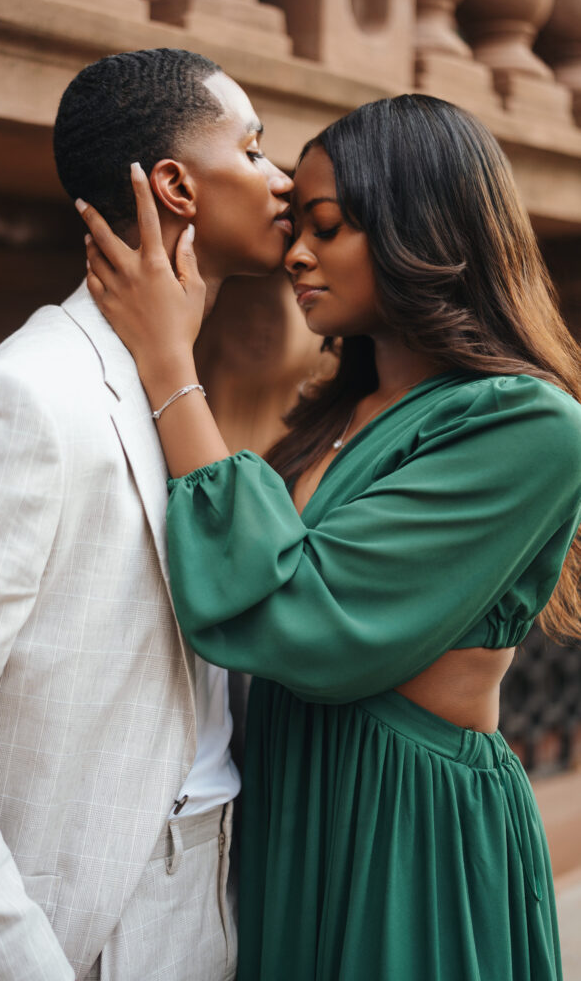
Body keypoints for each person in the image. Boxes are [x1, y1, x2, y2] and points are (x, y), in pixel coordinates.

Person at [77, 93, 581, 980]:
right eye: (294, 226)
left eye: (330, 226)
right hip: (289, 800)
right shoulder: (337, 409)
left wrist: (168, 362)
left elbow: (307, 622)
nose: (296, 254)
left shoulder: (527, 424)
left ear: (420, 229)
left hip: (405, 823)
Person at [0, 47, 291, 981]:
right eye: (255, 149)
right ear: (176, 186)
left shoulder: (183, 389)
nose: (282, 180)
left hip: (211, 901)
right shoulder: (26, 397)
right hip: (82, 931)